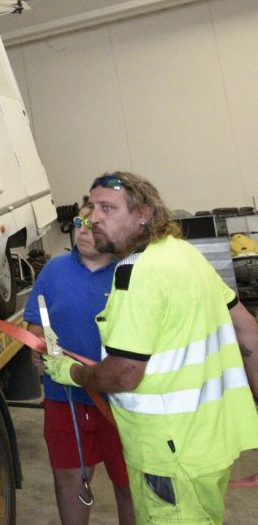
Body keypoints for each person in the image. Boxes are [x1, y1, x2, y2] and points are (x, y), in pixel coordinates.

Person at [44, 171, 258, 523]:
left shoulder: (137, 275)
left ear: (143, 214)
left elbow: (125, 373)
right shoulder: (184, 254)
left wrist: (74, 373)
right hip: (212, 447)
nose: (94, 218)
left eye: (108, 208)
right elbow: (247, 330)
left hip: (168, 455)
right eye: (92, 207)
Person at [24, 202, 134, 525]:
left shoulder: (128, 272)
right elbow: (33, 322)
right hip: (65, 399)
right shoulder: (53, 270)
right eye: (78, 221)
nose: (83, 229)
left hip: (120, 402)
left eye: (92, 223)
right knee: (70, 482)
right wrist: (37, 343)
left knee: (129, 484)